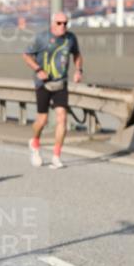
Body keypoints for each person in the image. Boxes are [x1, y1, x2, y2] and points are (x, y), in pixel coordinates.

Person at [22, 12, 83, 169]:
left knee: (62, 118)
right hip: (43, 83)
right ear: (52, 23)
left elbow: (77, 54)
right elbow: (27, 55)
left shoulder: (70, 39)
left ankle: (56, 155)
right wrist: (38, 70)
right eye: (59, 23)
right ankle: (35, 143)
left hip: (61, 83)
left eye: (65, 23)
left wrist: (78, 70)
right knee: (42, 120)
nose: (63, 26)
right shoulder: (42, 38)